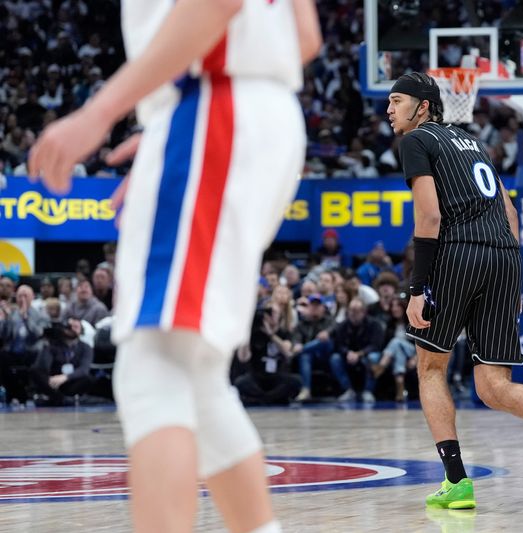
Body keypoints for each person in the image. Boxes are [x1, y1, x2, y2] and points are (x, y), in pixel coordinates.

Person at [28, 1, 322, 532]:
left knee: (153, 365)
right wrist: (168, 125)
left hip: (216, 106)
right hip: (247, 113)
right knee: (195, 376)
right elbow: (305, 38)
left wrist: (101, 112)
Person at [389, 71, 523, 510]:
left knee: (431, 369)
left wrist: (417, 288)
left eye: (397, 100)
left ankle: (456, 481)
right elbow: (510, 212)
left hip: (457, 252)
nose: (389, 108)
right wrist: (509, 279)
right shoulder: (474, 143)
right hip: (503, 255)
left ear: (422, 107)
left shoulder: (416, 142)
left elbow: (430, 219)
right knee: (492, 383)